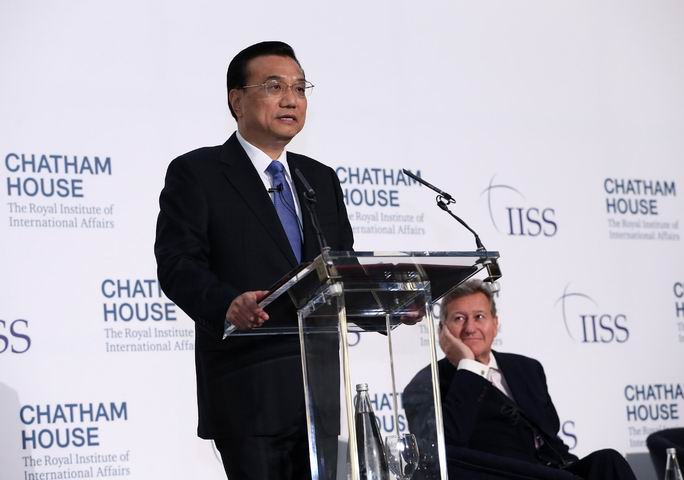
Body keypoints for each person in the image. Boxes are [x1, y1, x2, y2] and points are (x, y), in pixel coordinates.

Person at [154, 41, 353, 480]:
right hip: (247, 389)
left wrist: (389, 305)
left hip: (318, 395)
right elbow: (177, 263)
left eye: (300, 88)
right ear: (237, 100)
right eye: (274, 87)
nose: (291, 100)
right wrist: (227, 304)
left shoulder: (319, 178)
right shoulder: (198, 173)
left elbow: (341, 271)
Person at [404, 279, 636, 479]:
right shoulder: (424, 385)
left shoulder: (526, 369)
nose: (470, 328)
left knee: (608, 461)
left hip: (551, 469)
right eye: (459, 318)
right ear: (443, 330)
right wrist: (469, 368)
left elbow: (549, 434)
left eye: (479, 317)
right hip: (501, 474)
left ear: (495, 324)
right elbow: (440, 453)